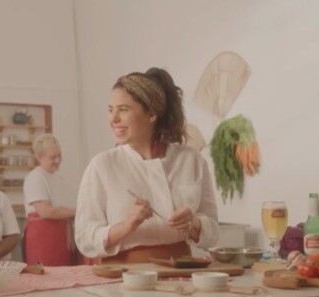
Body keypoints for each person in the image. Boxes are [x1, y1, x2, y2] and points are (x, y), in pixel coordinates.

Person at [74, 67, 219, 264]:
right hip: (122, 278)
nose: (113, 119)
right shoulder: (102, 166)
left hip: (182, 273)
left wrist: (193, 224)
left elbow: (213, 232)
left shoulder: (192, 160)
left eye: (123, 110)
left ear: (151, 113)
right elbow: (84, 237)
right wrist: (126, 226)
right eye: (111, 110)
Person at [22, 134, 76, 266]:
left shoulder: (59, 179)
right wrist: (77, 211)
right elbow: (46, 212)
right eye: (53, 157)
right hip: (43, 240)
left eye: (59, 156)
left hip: (61, 238)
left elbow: (64, 209)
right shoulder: (35, 178)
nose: (57, 160)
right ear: (39, 157)